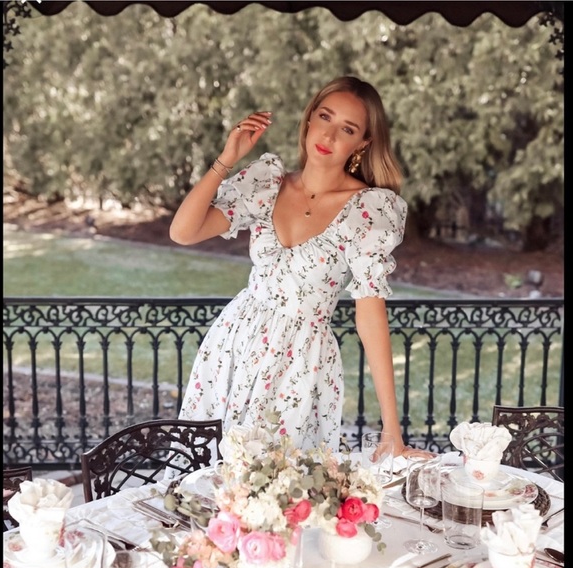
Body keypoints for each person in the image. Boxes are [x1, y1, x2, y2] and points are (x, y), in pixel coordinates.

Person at [167, 76, 428, 469]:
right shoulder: (267, 184)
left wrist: (392, 430)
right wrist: (226, 159)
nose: (329, 135)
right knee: (208, 480)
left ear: (362, 144)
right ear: (309, 118)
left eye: (348, 129)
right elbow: (183, 232)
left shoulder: (368, 211)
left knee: (279, 485)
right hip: (233, 346)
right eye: (325, 117)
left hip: (299, 363)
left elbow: (370, 315)